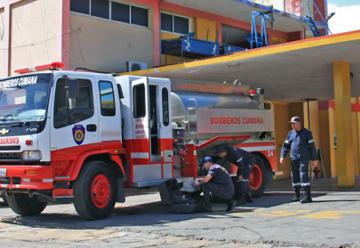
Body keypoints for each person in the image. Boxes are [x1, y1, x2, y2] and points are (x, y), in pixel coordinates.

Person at [280, 116, 318, 203]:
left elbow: (312, 147)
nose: (292, 126)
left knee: (303, 175)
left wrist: (314, 159)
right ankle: (297, 196)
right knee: (295, 176)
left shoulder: (307, 133)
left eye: (293, 124)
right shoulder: (290, 133)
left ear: (299, 123)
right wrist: (282, 156)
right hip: (294, 158)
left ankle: (308, 197)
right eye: (291, 124)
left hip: (303, 158)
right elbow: (285, 146)